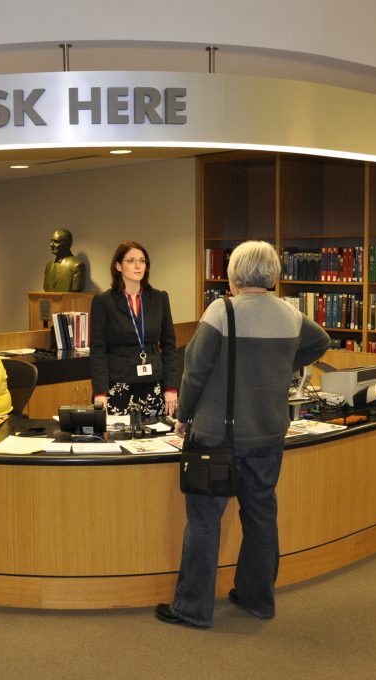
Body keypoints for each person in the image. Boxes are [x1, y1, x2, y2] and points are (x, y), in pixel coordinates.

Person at [156, 240, 330, 629]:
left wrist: (182, 415)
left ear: (234, 274)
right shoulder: (290, 313)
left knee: (204, 521)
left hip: (217, 436)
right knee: (261, 516)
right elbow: (321, 342)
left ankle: (193, 608)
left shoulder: (222, 310)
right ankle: (257, 599)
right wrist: (281, 362)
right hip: (269, 434)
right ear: (272, 275)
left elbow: (195, 369)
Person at [89, 241, 179, 419]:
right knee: (119, 441)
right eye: (131, 261)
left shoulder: (159, 298)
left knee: (155, 442)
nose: (138, 265)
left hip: (154, 385)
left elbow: (169, 346)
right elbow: (98, 350)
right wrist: (100, 392)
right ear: (118, 266)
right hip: (118, 385)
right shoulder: (103, 301)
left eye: (142, 260)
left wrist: (171, 387)